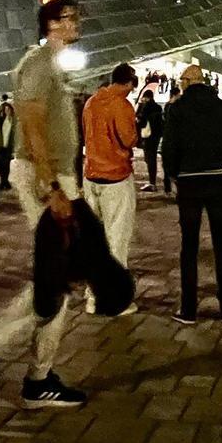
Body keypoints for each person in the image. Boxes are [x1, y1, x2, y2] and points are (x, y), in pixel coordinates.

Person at [0, 0, 88, 411]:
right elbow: (32, 122)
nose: (77, 25)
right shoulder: (38, 62)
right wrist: (51, 183)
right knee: (57, 280)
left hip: (55, 175)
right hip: (44, 175)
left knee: (61, 280)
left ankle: (35, 375)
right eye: (71, 19)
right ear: (53, 23)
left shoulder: (51, 66)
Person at [161, 64, 222, 325]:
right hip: (218, 179)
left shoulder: (177, 108)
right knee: (221, 243)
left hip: (189, 182)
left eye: (182, 79)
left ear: (188, 81)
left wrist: (173, 175)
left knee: (189, 246)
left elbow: (170, 147)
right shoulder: (221, 106)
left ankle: (188, 309)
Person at [81, 63, 140, 316]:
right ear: (127, 83)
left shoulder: (91, 102)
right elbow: (128, 139)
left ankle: (92, 296)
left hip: (91, 175)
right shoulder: (121, 105)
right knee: (117, 241)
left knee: (95, 241)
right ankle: (113, 300)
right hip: (115, 177)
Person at [135, 89, 164, 192]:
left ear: (146, 97)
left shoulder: (145, 107)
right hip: (156, 136)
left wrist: (139, 108)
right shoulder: (158, 107)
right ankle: (153, 182)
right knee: (152, 158)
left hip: (148, 136)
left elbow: (141, 122)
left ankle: (152, 183)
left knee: (149, 158)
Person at [0, 97, 16, 189]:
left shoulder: (12, 121)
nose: (8, 111)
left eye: (9, 109)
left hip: (8, 146)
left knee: (6, 165)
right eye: (6, 109)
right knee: (1, 165)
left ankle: (5, 181)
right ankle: (3, 180)